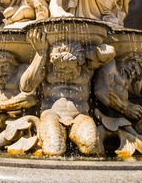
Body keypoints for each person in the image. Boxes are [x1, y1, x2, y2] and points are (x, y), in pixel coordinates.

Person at [20, 28, 115, 156]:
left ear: (79, 62)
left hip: (80, 116)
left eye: (70, 68)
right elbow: (25, 86)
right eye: (61, 68)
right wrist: (41, 53)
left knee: (92, 147)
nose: (65, 72)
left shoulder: (86, 65)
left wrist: (80, 51)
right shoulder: (47, 64)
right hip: (52, 115)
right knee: (54, 149)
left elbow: (110, 51)